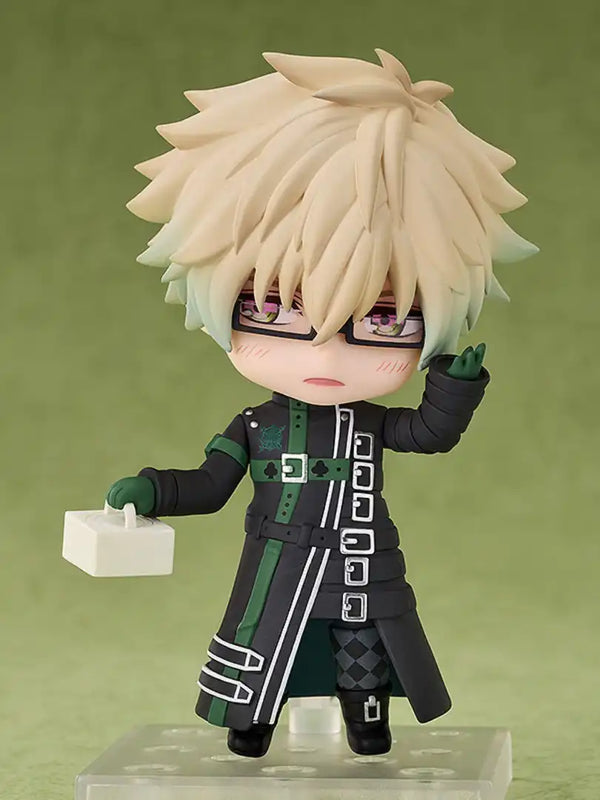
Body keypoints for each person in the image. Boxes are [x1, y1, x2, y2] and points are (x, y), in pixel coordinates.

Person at [106, 49, 537, 758]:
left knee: (362, 653)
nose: (327, 355)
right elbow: (210, 485)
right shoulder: (256, 426)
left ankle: (367, 723)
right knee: (263, 650)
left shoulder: (368, 423)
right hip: (277, 567)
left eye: (384, 317)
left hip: (362, 565)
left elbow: (428, 433)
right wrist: (154, 490)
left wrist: (452, 386)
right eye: (273, 308)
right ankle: (250, 722)